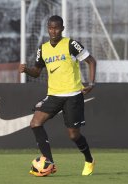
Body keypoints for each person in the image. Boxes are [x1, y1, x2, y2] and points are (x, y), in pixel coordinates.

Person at [19, 15, 96, 176]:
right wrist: (26, 69)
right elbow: (36, 72)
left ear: (62, 28)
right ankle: (49, 162)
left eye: (57, 28)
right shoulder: (43, 48)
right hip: (53, 95)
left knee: (73, 135)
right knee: (35, 123)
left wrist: (91, 84)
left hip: (73, 95)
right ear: (48, 28)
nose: (53, 31)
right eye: (51, 28)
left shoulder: (71, 44)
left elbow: (91, 61)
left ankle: (89, 159)